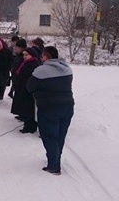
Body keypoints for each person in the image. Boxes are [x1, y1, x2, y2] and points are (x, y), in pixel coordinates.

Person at [27, 46, 74, 175]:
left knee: (49, 135)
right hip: (68, 106)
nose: (41, 59)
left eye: (42, 56)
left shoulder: (41, 71)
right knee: (60, 134)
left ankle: (54, 165)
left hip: (48, 107)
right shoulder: (67, 69)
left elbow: (30, 87)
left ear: (46, 57)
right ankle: (55, 158)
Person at [11, 47, 41, 133]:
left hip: (28, 90)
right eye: (24, 54)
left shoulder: (33, 64)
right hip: (22, 88)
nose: (24, 56)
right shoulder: (25, 63)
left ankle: (30, 127)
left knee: (28, 109)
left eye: (26, 55)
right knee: (25, 108)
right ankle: (28, 125)